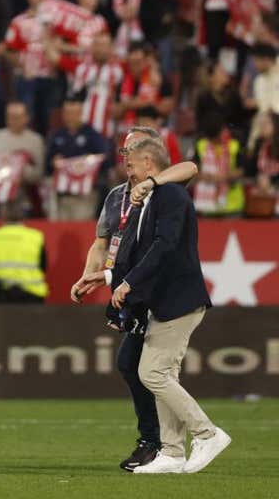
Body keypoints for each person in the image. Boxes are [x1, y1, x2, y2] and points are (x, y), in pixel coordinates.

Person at [76, 138, 231, 475]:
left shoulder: (171, 195)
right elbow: (136, 252)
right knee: (163, 374)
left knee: (152, 372)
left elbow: (165, 246)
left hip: (178, 300)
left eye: (130, 160)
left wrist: (129, 283)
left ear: (149, 162)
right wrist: (104, 277)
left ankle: (207, 433)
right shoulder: (145, 199)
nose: (125, 165)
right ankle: (173, 454)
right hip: (160, 302)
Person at [0, 206, 46, 303]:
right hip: (30, 295)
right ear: (22, 218)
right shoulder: (35, 237)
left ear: (3, 217)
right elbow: (43, 266)